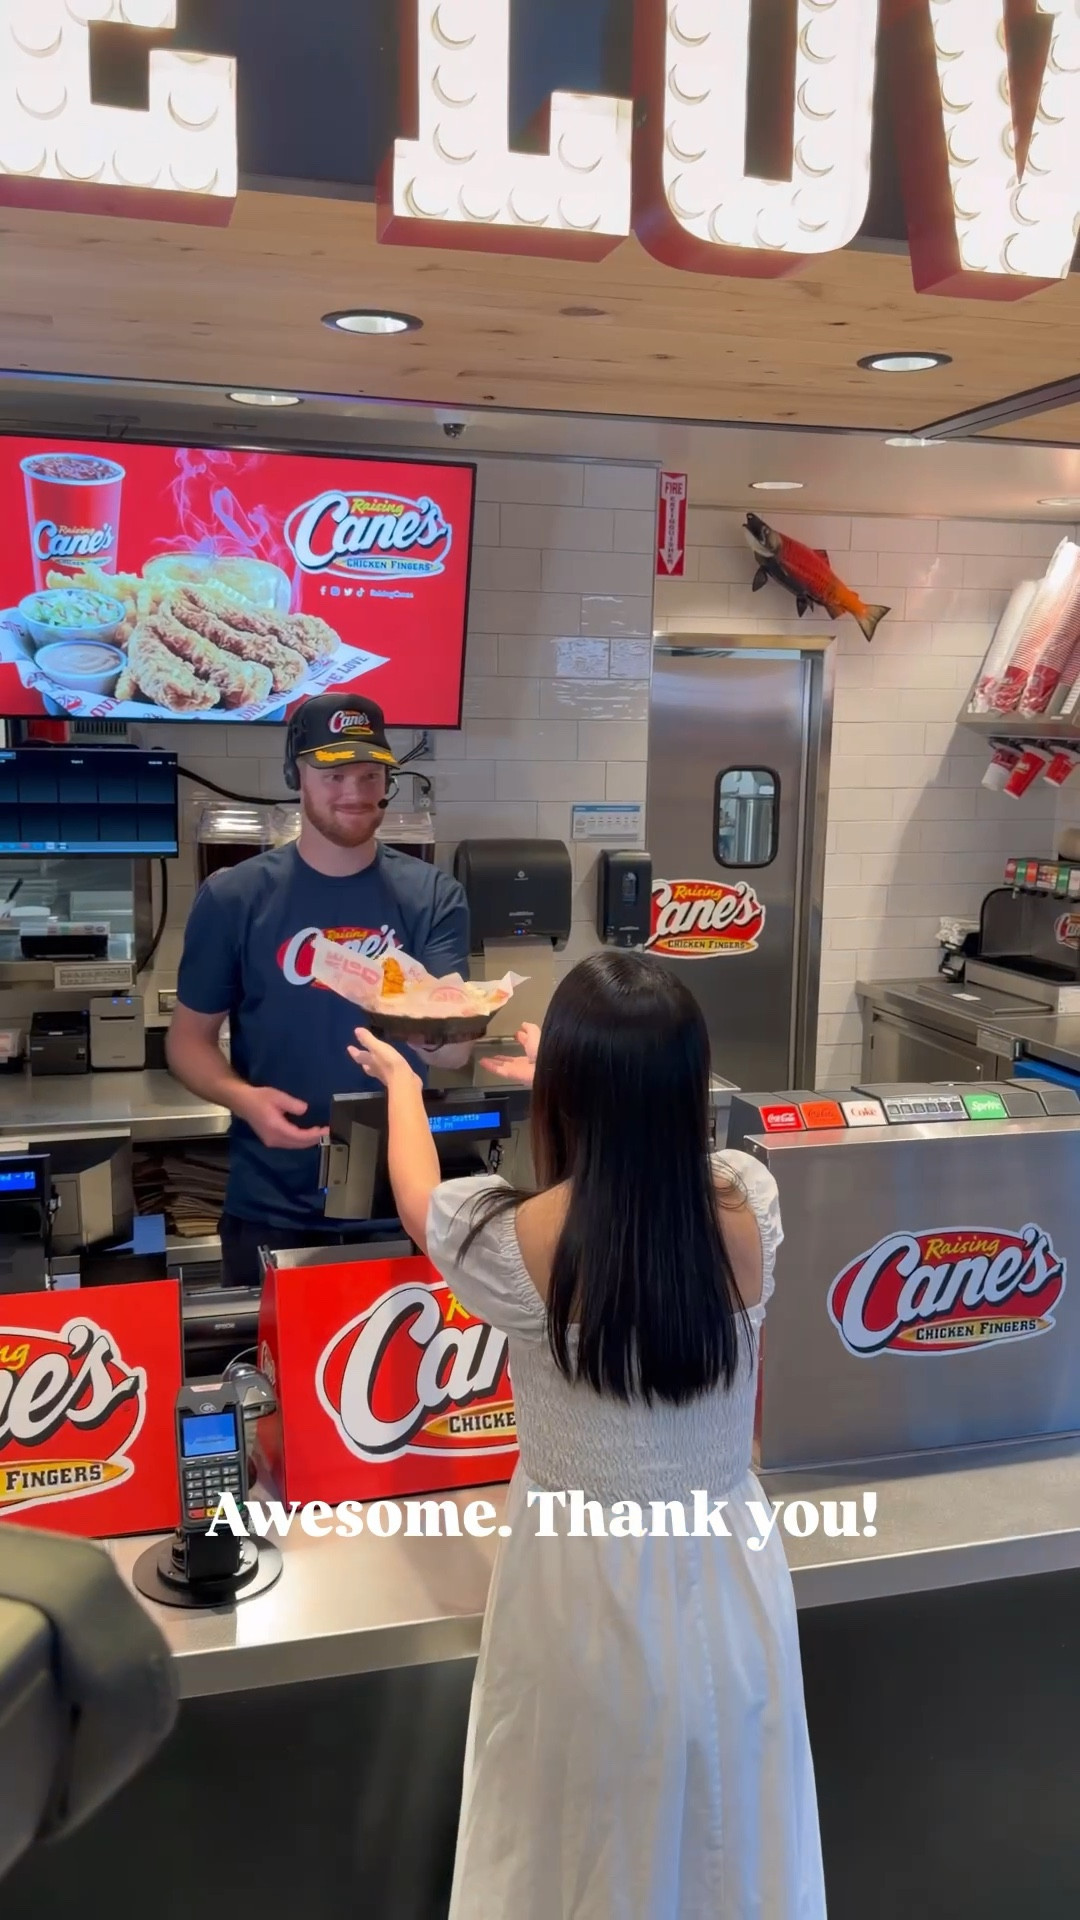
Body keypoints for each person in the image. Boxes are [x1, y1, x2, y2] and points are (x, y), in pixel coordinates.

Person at [350, 950, 826, 1920]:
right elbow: (664, 1159)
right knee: (730, 1829)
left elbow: (413, 1197)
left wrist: (405, 1082)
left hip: (578, 1585)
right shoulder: (746, 1206)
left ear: (563, 1095)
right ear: (689, 1087)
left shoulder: (509, 1240)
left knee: (579, 1839)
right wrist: (595, 1077)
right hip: (732, 1573)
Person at [167, 694, 469, 1287]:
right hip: (269, 1206)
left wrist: (436, 1030)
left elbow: (455, 1052)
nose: (355, 790)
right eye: (333, 773)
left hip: (402, 1200)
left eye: (370, 773)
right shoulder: (234, 897)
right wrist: (243, 1098)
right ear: (294, 775)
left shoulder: (433, 895)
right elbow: (187, 1042)